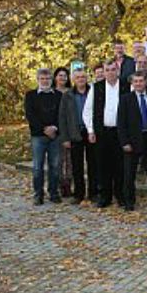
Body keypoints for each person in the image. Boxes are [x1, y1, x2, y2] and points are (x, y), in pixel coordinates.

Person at [83, 60, 128, 208]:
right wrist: (90, 130)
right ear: (103, 71)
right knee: (103, 165)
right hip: (102, 132)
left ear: (118, 70)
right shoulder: (96, 87)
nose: (110, 72)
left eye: (113, 69)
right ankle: (105, 197)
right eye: (107, 70)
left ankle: (120, 196)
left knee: (120, 165)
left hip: (120, 133)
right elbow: (88, 111)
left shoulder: (126, 86)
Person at [117, 72, 147, 211]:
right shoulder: (125, 99)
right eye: (136, 81)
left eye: (141, 81)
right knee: (129, 173)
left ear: (146, 82)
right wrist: (124, 142)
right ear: (132, 83)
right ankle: (129, 201)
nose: (139, 83)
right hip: (132, 139)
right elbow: (121, 122)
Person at [25, 68, 63, 205]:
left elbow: (61, 114)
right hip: (38, 136)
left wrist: (55, 127)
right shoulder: (30, 95)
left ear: (51, 80)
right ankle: (38, 194)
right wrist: (43, 129)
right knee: (37, 167)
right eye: (42, 79)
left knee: (55, 166)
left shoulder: (59, 95)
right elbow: (30, 115)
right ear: (38, 80)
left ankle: (53, 193)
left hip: (55, 135)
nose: (45, 81)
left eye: (48, 79)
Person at [59, 69, 97, 204]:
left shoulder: (93, 92)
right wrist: (65, 138)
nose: (81, 79)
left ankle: (93, 193)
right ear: (73, 80)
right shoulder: (68, 95)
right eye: (78, 77)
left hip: (91, 131)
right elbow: (62, 118)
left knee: (93, 164)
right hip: (75, 132)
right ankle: (79, 194)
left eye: (83, 77)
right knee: (77, 165)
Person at [53, 67, 73, 197]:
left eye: (65, 76)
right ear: (55, 77)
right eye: (60, 75)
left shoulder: (71, 92)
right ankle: (60, 185)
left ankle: (69, 184)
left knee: (70, 160)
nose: (62, 78)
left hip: (70, 129)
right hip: (56, 130)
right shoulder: (52, 93)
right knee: (59, 160)